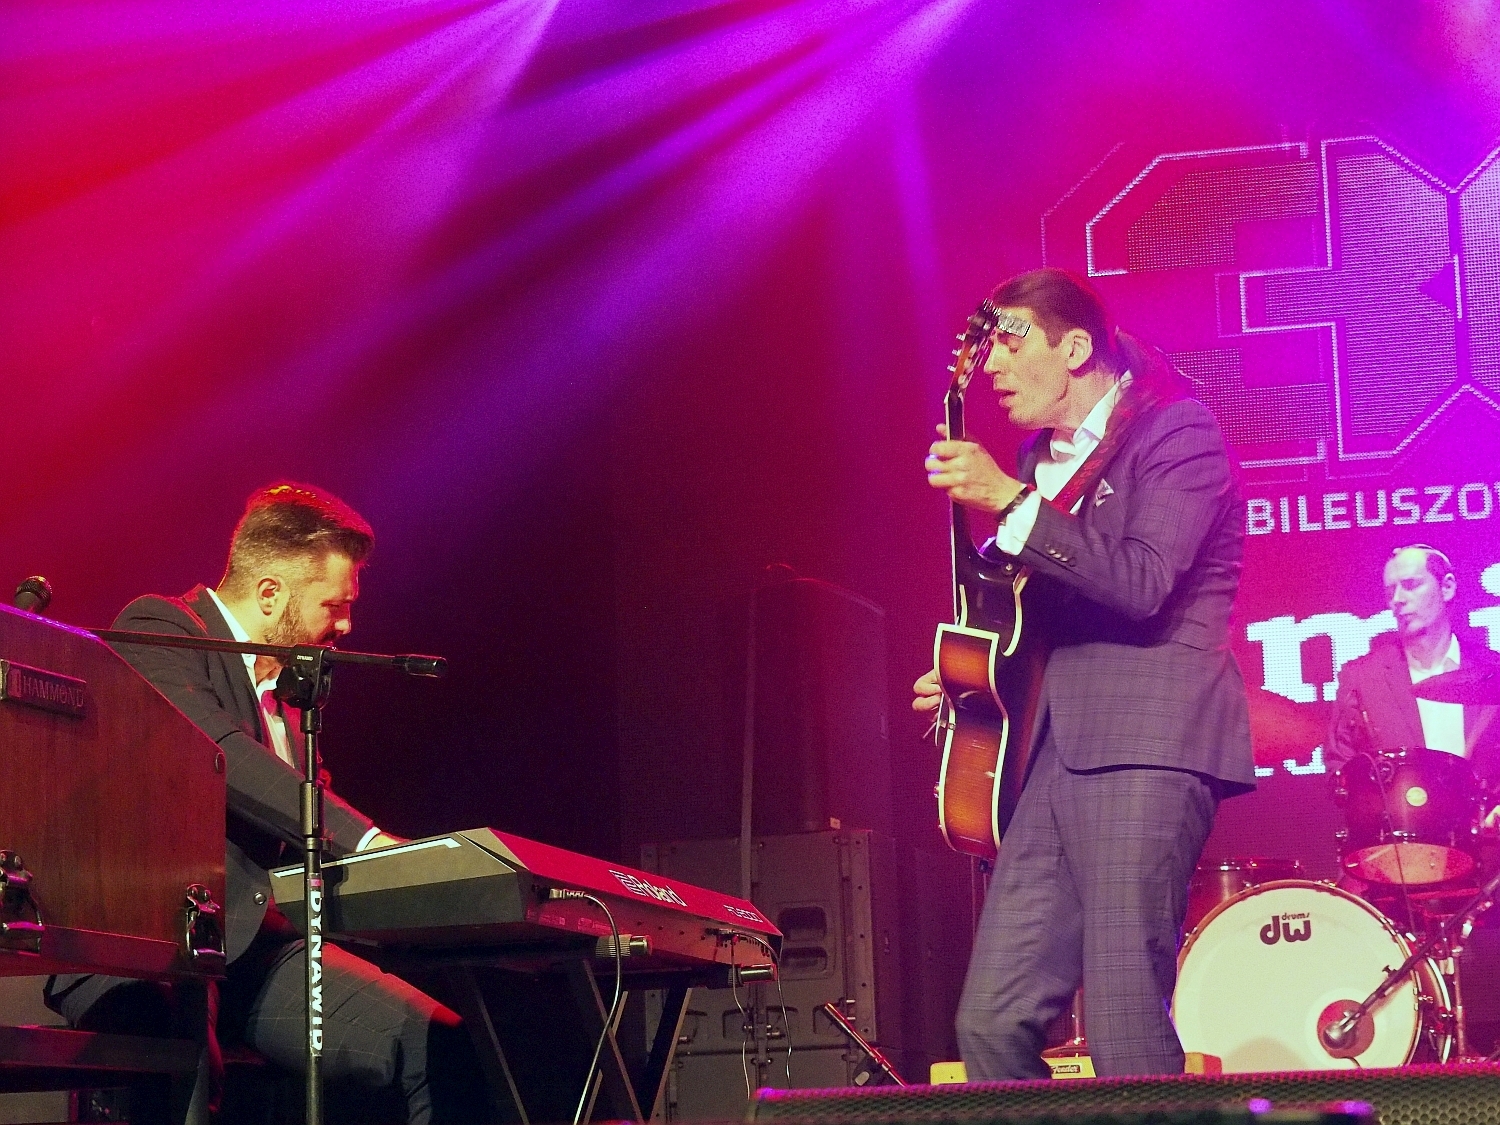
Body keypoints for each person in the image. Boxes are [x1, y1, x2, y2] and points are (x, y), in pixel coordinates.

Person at [45, 482, 488, 1124]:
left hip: (253, 952)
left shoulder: (286, 694)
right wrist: (371, 843)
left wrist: (419, 877)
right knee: (183, 1077)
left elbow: (300, 827)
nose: (346, 625)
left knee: (439, 1045)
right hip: (145, 939)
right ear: (271, 592)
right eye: (334, 604)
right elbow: (217, 751)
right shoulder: (160, 627)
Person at [914, 268, 1255, 1079]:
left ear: (1073, 349)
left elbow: (1140, 581)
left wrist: (1011, 500)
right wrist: (971, 678)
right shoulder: (1039, 459)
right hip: (1051, 756)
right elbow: (1037, 616)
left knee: (1124, 1023)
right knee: (991, 1021)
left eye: (1012, 341)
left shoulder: (1178, 433)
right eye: (991, 346)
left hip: (1147, 745)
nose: (994, 365)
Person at [1328, 544, 1500, 783]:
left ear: (1447, 587)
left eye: (1411, 585)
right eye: (1390, 591)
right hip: (1399, 807)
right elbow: (1340, 771)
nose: (1397, 599)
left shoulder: (1492, 671)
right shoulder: (1363, 678)